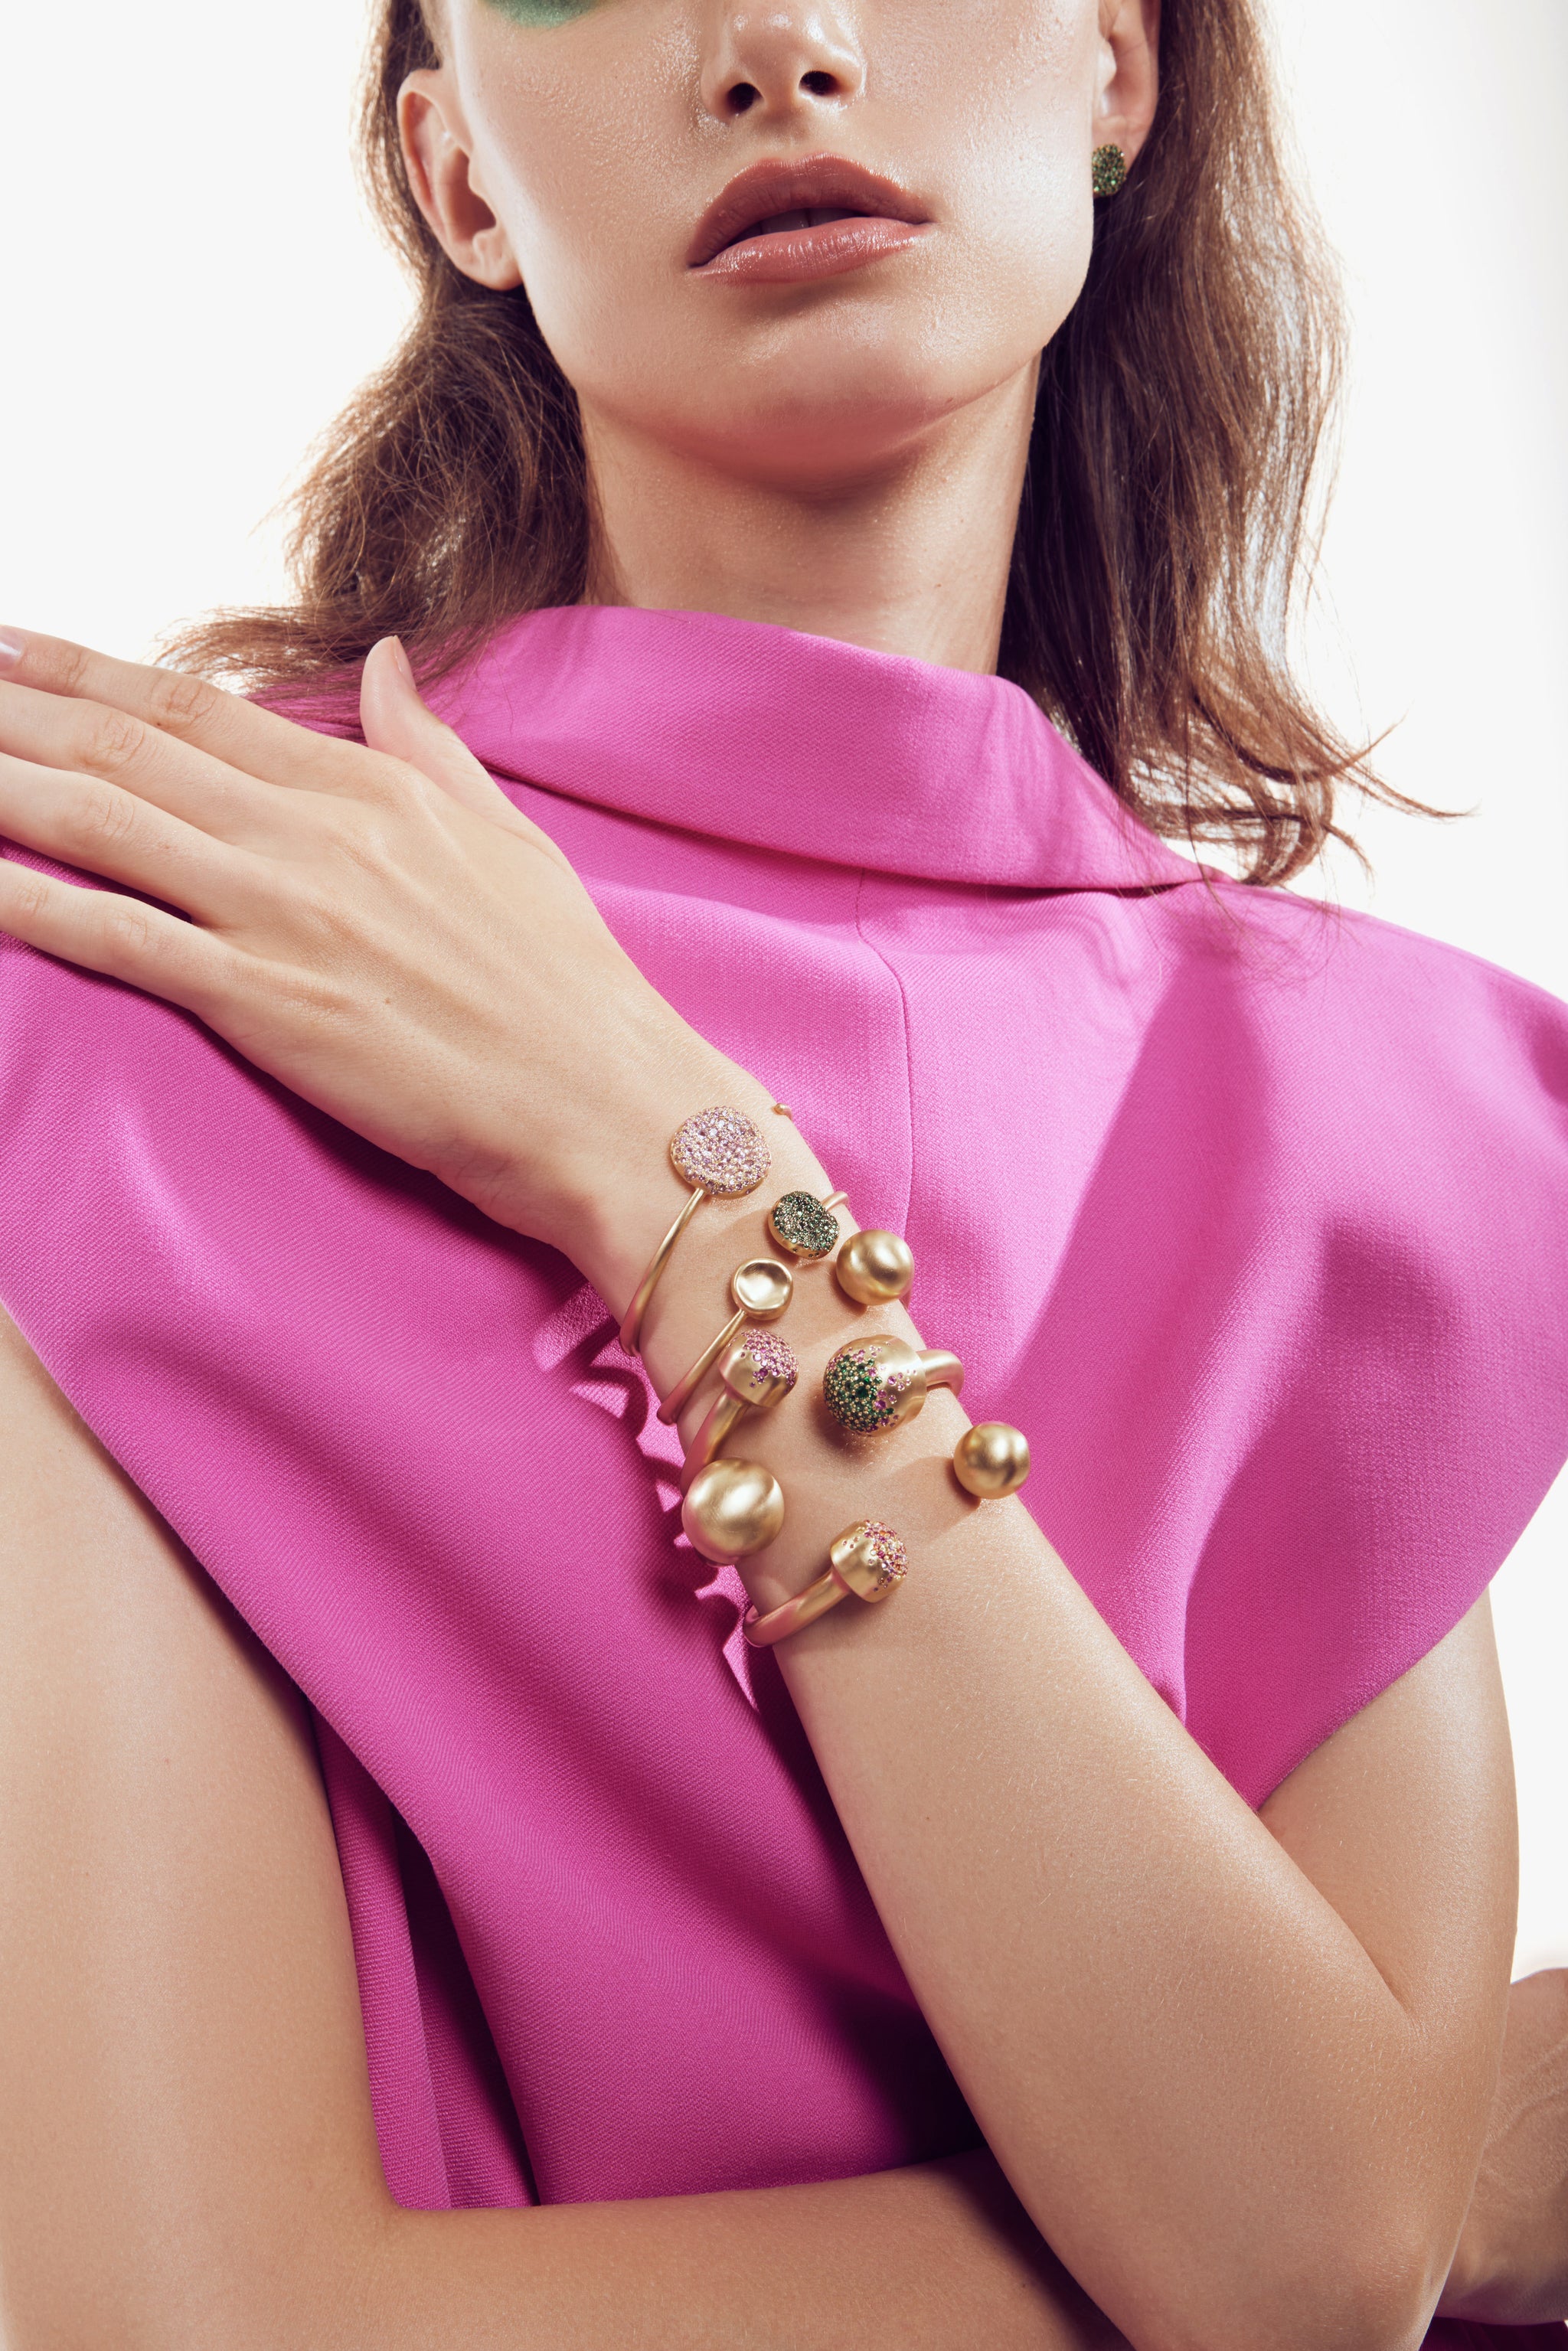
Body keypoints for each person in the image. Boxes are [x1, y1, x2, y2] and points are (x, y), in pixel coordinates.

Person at [0, 0, 1564, 2342]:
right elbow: (178, 2317)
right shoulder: (145, 963)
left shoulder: (1378, 1110)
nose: (780, 42)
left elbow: (1316, 2252)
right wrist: (1421, 2189)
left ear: (1119, 64)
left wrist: (667, 1169)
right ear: (456, 176)